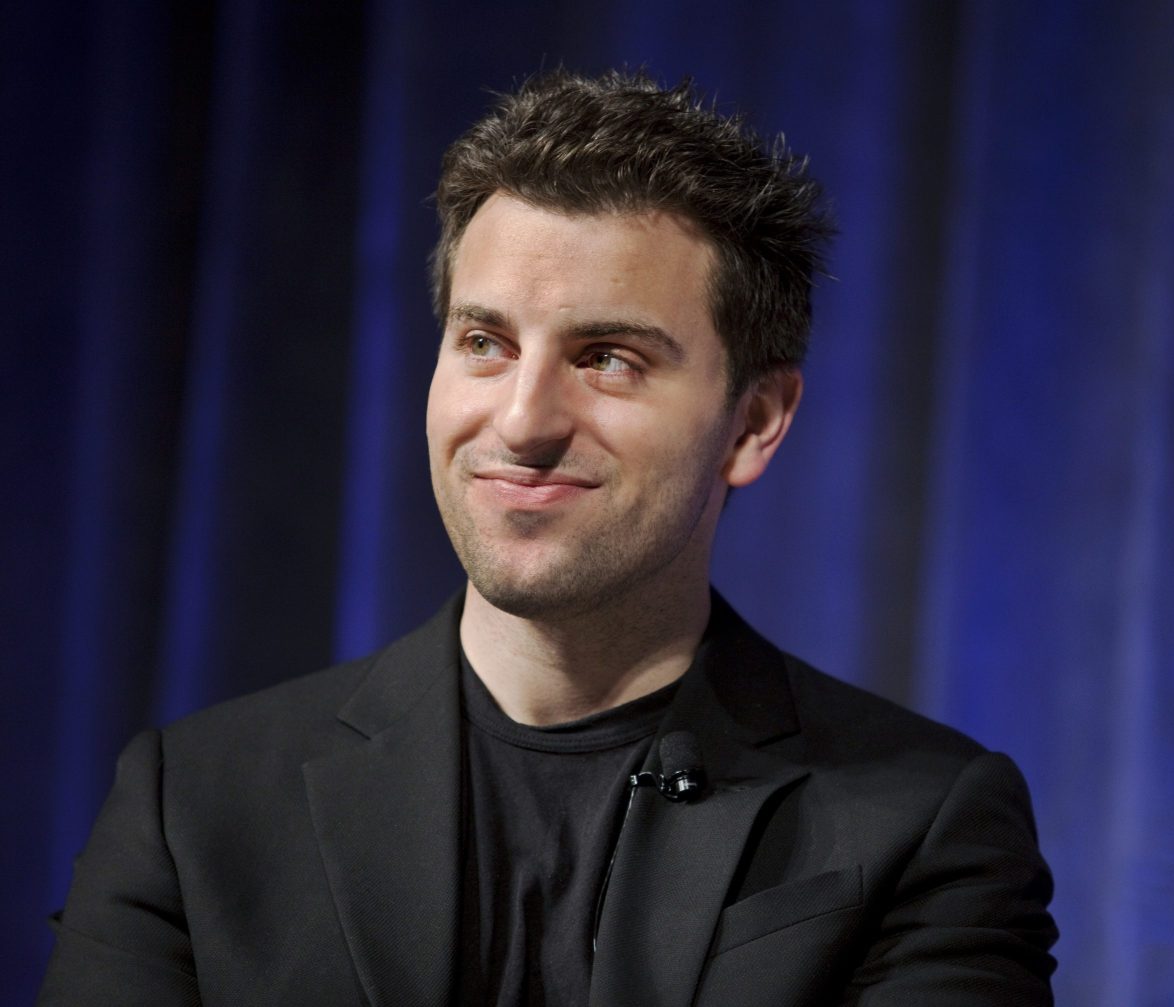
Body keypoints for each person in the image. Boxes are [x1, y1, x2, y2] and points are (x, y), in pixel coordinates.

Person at [41, 69, 1058, 1005]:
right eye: (484, 342)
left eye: (608, 357)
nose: (523, 420)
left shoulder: (924, 825)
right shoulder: (193, 806)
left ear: (754, 422)